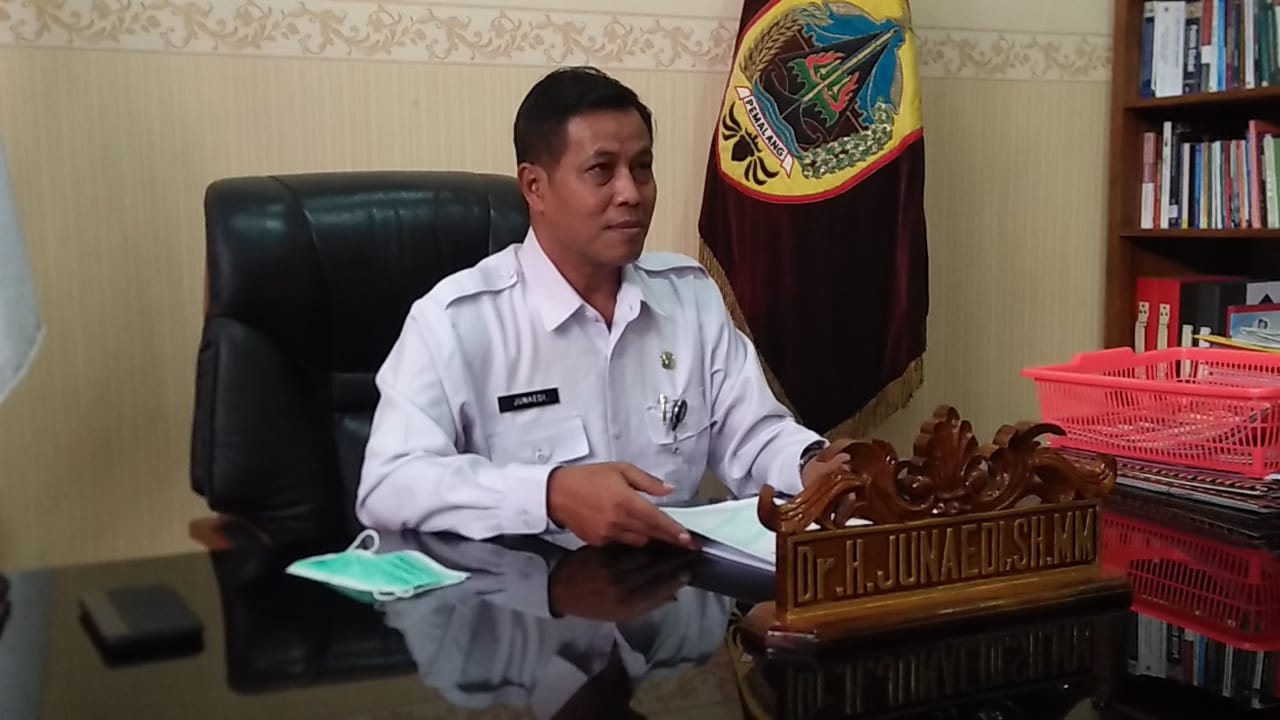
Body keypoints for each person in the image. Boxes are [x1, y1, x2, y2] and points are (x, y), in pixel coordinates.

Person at [356, 65, 848, 550]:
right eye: (601, 170)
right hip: (530, 592)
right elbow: (389, 484)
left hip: (675, 583)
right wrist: (549, 494)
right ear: (534, 187)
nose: (631, 194)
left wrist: (812, 467)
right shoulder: (457, 321)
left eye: (642, 167)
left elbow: (753, 435)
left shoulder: (688, 297)